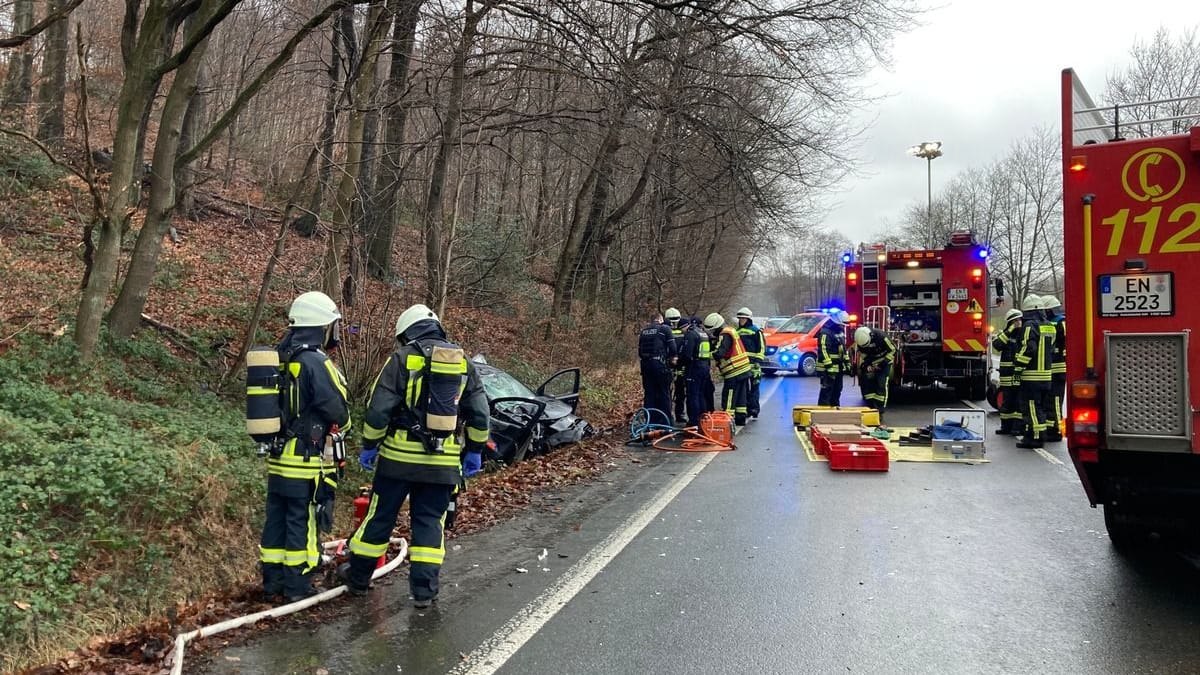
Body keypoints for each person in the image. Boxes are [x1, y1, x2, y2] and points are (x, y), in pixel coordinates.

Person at [339, 304, 490, 608]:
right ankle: (424, 592)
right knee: (430, 523)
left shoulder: (401, 359)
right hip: (443, 464)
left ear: (406, 332)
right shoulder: (462, 362)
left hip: (398, 461)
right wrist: (473, 451)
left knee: (380, 517)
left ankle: (357, 579)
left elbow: (378, 406)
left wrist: (370, 444)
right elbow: (481, 413)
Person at [261, 291, 351, 603]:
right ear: (320, 326)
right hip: (305, 460)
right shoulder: (315, 361)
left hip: (277, 457)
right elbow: (337, 410)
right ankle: (298, 586)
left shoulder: (279, 356)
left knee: (276, 518)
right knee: (303, 518)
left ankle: (271, 581)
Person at [1013, 295, 1054, 449]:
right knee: (1039, 407)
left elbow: (1028, 349)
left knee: (1031, 407)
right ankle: (1030, 435)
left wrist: (1018, 364)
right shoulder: (1049, 325)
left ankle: (1036, 438)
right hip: (1046, 375)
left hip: (1031, 376)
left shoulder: (1029, 326)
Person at [704, 312, 752, 426]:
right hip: (744, 369)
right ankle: (740, 418)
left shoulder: (724, 334)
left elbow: (720, 352)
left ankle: (727, 421)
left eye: (713, 330)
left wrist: (707, 355)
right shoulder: (731, 330)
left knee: (729, 397)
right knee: (741, 396)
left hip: (734, 371)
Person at [637, 311, 677, 425]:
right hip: (660, 365)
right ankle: (666, 422)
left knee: (649, 394)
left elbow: (640, 351)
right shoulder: (665, 329)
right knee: (664, 393)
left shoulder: (644, 332)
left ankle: (650, 421)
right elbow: (673, 349)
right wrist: (671, 360)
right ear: (661, 320)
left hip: (645, 366)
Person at [992, 308, 1024, 435]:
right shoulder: (1005, 333)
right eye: (1014, 321)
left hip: (1018, 372)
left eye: (1019, 320)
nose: (1017, 323)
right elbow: (997, 345)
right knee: (1007, 400)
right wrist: (1010, 331)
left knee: (1018, 400)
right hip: (1006, 373)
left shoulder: (1025, 333)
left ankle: (1017, 427)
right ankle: (1005, 427)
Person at [853, 325, 895, 418]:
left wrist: (882, 364)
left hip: (884, 362)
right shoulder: (860, 341)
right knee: (868, 384)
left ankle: (880, 410)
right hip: (871, 363)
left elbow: (893, 350)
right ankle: (870, 407)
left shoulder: (881, 336)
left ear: (871, 336)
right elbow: (863, 354)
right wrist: (868, 364)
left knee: (881, 384)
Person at [680, 315, 714, 426]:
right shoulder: (703, 333)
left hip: (694, 367)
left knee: (692, 395)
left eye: (682, 330)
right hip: (705, 366)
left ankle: (694, 421)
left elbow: (687, 355)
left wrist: (678, 363)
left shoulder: (691, 335)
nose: (682, 332)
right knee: (701, 394)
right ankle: (703, 419)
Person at [1041, 295, 1066, 442]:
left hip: (1058, 367)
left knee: (1056, 400)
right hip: (1052, 367)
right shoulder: (1053, 322)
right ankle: (1050, 428)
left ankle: (1057, 430)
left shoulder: (1060, 323)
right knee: (1050, 399)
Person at [735, 308, 765, 420]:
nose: (741, 320)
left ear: (748, 319)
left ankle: (754, 409)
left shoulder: (756, 331)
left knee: (755, 388)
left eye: (744, 318)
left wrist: (758, 361)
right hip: (742, 365)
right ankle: (747, 409)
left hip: (754, 365)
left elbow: (761, 347)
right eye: (740, 318)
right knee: (744, 389)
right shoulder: (736, 332)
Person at [816, 311, 850, 406]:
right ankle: (823, 415)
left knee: (837, 390)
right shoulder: (825, 333)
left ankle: (835, 413)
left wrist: (848, 364)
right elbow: (823, 351)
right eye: (841, 325)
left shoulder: (839, 332)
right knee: (826, 392)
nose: (843, 327)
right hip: (827, 370)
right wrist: (829, 367)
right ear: (836, 322)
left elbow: (843, 349)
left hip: (837, 368)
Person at [664, 307, 688, 424]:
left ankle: (677, 414)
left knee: (679, 392)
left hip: (676, 365)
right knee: (672, 392)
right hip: (671, 365)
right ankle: (674, 414)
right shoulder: (666, 331)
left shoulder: (666, 331)